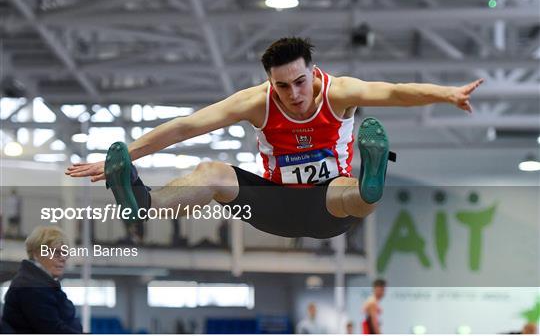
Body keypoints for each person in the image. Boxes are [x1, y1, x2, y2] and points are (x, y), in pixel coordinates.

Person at [66, 37, 483, 239]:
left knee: (345, 188)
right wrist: (120, 157)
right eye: (282, 87)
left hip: (327, 208)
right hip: (274, 204)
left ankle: (372, 180)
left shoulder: (339, 93)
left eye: (300, 82)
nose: (294, 94)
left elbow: (392, 91)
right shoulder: (257, 102)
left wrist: (447, 94)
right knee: (213, 172)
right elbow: (187, 126)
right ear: (270, 82)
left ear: (312, 72)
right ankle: (142, 202)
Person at [1, 225, 82, 333]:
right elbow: (55, 331)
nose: (63, 258)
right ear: (36, 254)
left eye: (65, 253)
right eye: (56, 252)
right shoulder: (31, 287)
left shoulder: (41, 284)